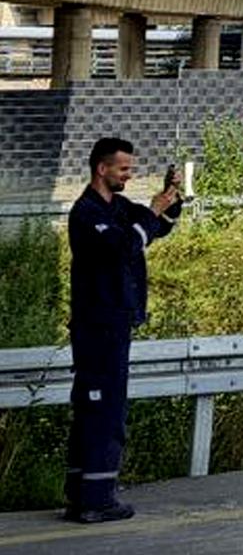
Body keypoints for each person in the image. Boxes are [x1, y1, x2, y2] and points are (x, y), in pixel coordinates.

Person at [64, 136, 183, 524]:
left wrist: (170, 201)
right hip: (98, 325)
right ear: (102, 169)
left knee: (95, 407)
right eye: (123, 169)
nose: (128, 175)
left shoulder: (119, 207)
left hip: (114, 322)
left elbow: (155, 229)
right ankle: (96, 499)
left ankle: (82, 494)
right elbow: (122, 247)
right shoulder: (87, 213)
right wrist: (150, 213)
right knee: (103, 410)